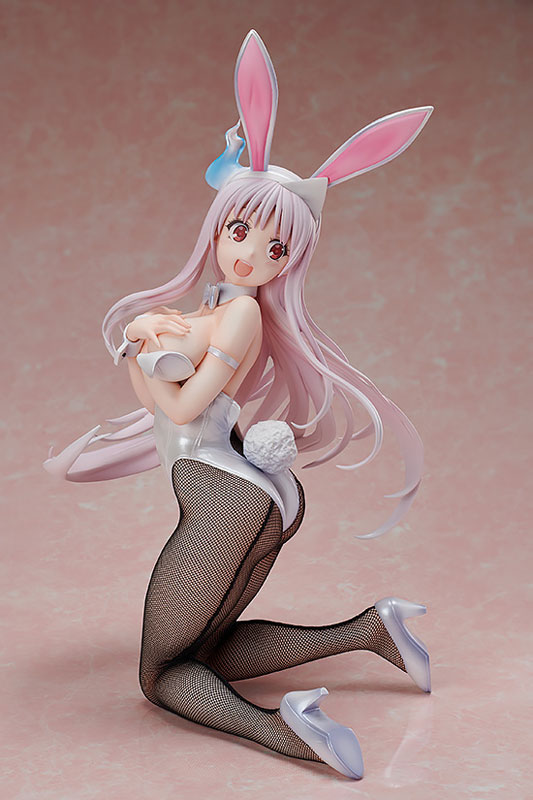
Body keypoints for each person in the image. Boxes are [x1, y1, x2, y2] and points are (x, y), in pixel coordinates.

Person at [43, 30, 433, 780]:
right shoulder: (216, 307)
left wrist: (140, 359)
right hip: (240, 490)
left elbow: (182, 408)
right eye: (240, 229)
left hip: (221, 493)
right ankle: (371, 630)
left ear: (290, 262)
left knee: (160, 676)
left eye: (275, 248)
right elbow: (170, 406)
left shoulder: (242, 314)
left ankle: (289, 732)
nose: (251, 253)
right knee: (208, 648)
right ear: (219, 224)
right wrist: (144, 355)